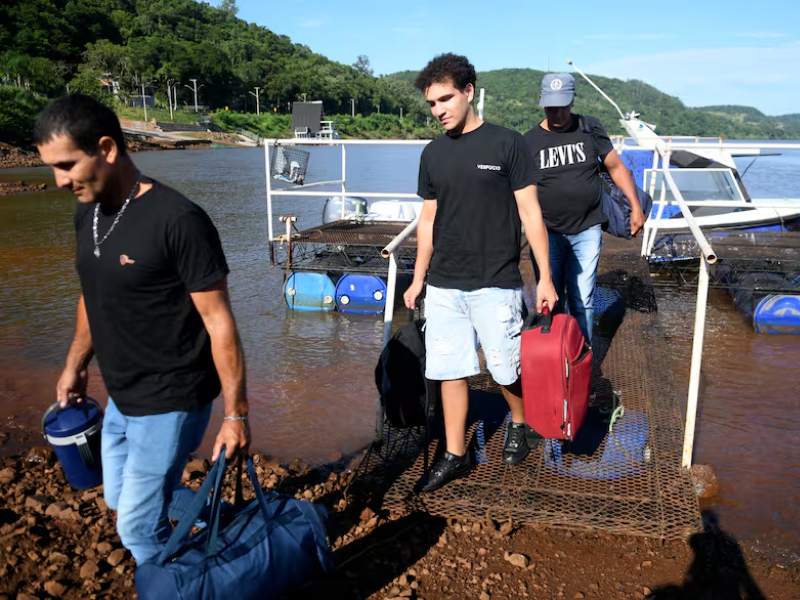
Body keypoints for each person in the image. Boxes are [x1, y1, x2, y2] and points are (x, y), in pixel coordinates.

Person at [34, 95, 250, 565]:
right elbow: (93, 295)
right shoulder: (87, 211)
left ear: (107, 148)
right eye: (52, 167)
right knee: (117, 497)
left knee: (135, 528)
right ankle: (211, 513)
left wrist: (236, 416)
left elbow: (220, 323)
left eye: (68, 165)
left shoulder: (178, 220)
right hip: (121, 395)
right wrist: (74, 366)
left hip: (172, 398)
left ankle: (184, 583)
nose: (59, 180)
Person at [404, 54, 557, 492]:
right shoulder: (432, 154)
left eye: (446, 99)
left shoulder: (508, 144)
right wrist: (418, 278)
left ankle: (521, 420)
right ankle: (455, 453)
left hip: (497, 279)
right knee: (450, 368)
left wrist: (544, 277)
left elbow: (530, 213)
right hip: (445, 283)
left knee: (505, 369)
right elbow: (428, 221)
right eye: (432, 103)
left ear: (469, 91)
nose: (439, 110)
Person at [523, 73, 645, 344]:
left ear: (572, 101)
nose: (558, 113)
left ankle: (581, 360)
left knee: (582, 299)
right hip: (547, 233)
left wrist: (635, 206)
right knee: (552, 299)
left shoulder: (590, 128)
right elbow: (520, 195)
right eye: (552, 107)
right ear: (542, 102)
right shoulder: (528, 142)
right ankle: (555, 358)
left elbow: (615, 167)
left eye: (563, 106)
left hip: (587, 228)